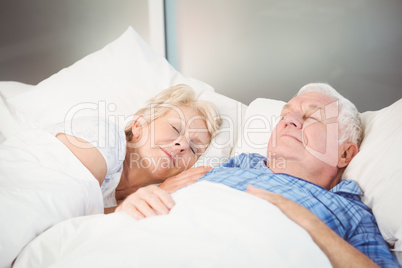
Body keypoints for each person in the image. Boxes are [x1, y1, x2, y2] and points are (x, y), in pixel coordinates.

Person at [123, 83, 398, 267]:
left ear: (345, 155)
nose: (290, 120)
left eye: (312, 118)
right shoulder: (234, 166)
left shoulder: (350, 211)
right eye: (285, 115)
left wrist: (307, 222)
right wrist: (134, 205)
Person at [54, 84, 221, 214]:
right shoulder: (104, 136)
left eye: (193, 148)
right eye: (175, 129)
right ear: (139, 125)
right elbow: (60, 208)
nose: (183, 145)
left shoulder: (143, 198)